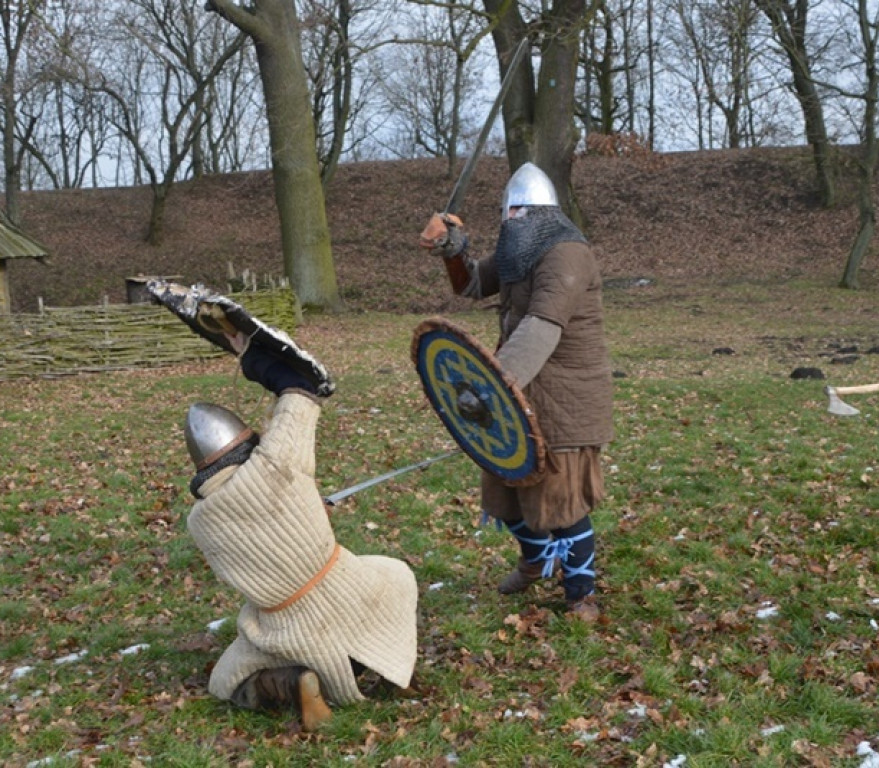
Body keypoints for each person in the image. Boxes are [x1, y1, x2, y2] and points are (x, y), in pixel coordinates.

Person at [183, 335, 419, 730]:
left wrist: (306, 507)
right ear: (244, 445)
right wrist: (261, 365)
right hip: (351, 597)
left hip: (288, 630)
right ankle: (395, 667)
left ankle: (291, 683)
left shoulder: (200, 522)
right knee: (397, 575)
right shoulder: (276, 464)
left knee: (224, 681)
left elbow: (261, 535)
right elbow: (301, 393)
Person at [420, 162, 614, 621]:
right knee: (504, 491)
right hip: (522, 389)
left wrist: (492, 387)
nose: (511, 220)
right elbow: (472, 283)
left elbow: (540, 327)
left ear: (541, 213)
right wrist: (453, 249)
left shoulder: (567, 254)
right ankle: (537, 560)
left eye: (519, 212)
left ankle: (580, 593)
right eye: (508, 212)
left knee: (562, 502)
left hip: (565, 395)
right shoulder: (519, 247)